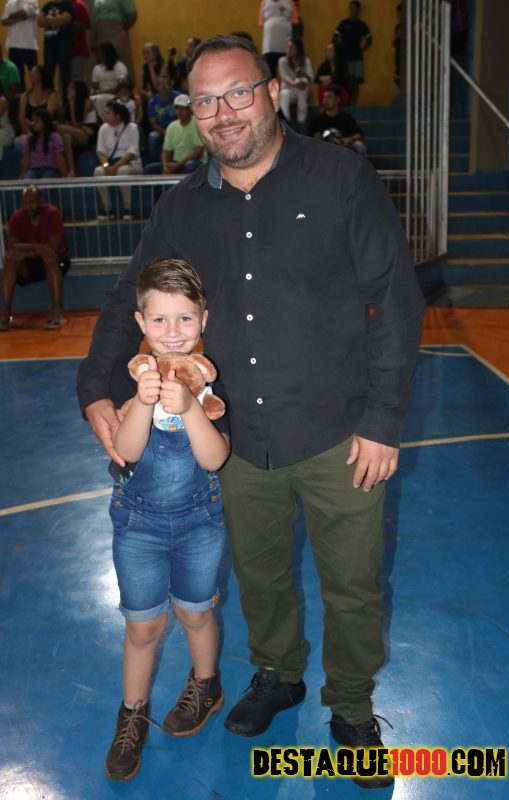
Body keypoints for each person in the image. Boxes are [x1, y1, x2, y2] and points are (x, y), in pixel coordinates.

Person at [77, 35, 425, 791]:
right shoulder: (181, 206)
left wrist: (383, 419)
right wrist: (97, 388)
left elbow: (396, 300)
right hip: (235, 441)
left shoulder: (341, 178)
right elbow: (127, 297)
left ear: (270, 92)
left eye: (237, 92)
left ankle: (352, 707)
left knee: (353, 585)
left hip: (340, 433)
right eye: (204, 101)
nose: (223, 113)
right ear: (191, 114)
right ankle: (277, 673)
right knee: (260, 574)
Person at [102, 257, 229, 781]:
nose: (172, 332)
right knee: (143, 625)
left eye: (184, 319)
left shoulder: (209, 381)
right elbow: (128, 451)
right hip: (138, 525)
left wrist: (192, 409)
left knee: (196, 613)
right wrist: (140, 401)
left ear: (203, 320)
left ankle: (206, 683)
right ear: (141, 323)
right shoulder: (132, 377)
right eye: (159, 319)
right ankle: (132, 713)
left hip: (199, 523)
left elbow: (214, 459)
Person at [0, 184, 69, 331]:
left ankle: (57, 313)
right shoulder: (17, 216)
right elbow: (12, 245)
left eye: (31, 202)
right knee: (10, 258)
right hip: (29, 263)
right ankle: (5, 314)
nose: (28, 206)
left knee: (49, 257)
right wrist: (36, 248)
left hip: (56, 261)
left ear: (40, 201)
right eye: (25, 202)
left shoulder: (52, 213)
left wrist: (28, 251)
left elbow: (53, 246)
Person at [93, 100, 142, 220]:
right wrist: (106, 166)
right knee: (98, 171)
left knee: (122, 171)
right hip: (110, 163)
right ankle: (107, 209)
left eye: (108, 113)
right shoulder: (103, 128)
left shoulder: (132, 128)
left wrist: (116, 166)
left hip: (131, 164)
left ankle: (128, 208)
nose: (105, 116)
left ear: (118, 115)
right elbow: (100, 151)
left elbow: (132, 152)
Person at [144, 94, 204, 175]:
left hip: (194, 163)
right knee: (149, 169)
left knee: (190, 165)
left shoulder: (197, 125)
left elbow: (198, 152)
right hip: (176, 163)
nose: (180, 111)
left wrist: (177, 165)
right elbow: (166, 151)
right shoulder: (172, 126)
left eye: (183, 108)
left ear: (190, 110)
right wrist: (165, 165)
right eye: (177, 108)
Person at [308, 85, 366, 155]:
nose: (325, 100)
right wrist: (316, 138)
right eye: (324, 97)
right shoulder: (317, 119)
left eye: (329, 97)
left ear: (337, 100)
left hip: (343, 150)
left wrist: (349, 139)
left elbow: (359, 134)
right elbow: (308, 138)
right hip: (323, 151)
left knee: (359, 146)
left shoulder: (346, 118)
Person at [89, 0, 137, 83]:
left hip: (116, 33)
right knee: (102, 62)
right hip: (100, 34)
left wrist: (121, 28)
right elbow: (93, 20)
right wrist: (92, 39)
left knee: (119, 61)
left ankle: (123, 88)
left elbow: (132, 15)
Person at [334, 0, 372, 105]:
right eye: (350, 8)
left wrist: (362, 50)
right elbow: (335, 36)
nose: (351, 10)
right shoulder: (343, 23)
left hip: (357, 58)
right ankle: (346, 103)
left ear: (358, 10)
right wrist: (338, 49)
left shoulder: (362, 25)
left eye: (353, 8)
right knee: (346, 82)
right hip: (345, 58)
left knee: (356, 82)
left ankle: (354, 104)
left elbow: (369, 39)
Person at [57, 80, 97, 175]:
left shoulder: (87, 102)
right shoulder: (68, 105)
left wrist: (71, 103)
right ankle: (72, 170)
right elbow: (69, 125)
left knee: (60, 128)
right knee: (66, 137)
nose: (68, 90)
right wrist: (70, 104)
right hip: (79, 131)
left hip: (89, 133)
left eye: (71, 88)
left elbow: (76, 124)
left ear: (78, 89)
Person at [37, 0, 73, 99]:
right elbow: (39, 22)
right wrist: (56, 20)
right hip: (49, 46)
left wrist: (47, 20)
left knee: (65, 76)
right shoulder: (47, 6)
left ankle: (66, 102)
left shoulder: (68, 5)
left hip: (63, 45)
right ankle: (49, 100)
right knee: (48, 74)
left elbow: (64, 21)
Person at [20, 108, 68, 178]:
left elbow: (60, 158)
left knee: (46, 179)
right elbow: (26, 158)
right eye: (33, 120)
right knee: (28, 178)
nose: (33, 123)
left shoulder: (55, 137)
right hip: (33, 169)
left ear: (45, 122)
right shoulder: (29, 138)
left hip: (51, 168)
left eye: (37, 121)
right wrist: (22, 175)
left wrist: (65, 177)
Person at [258, 0, 299, 78]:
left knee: (288, 74)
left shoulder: (290, 2)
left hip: (286, 47)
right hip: (269, 47)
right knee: (269, 75)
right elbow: (261, 24)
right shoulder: (264, 3)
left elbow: (295, 23)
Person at [17, 64, 60, 137]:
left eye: (36, 72)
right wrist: (30, 135)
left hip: (46, 132)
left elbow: (47, 118)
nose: (31, 73)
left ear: (42, 76)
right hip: (29, 132)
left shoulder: (52, 95)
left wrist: (31, 123)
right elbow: (22, 120)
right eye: (31, 71)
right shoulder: (25, 96)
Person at [1, 0, 38, 83]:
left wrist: (11, 16)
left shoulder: (33, 1)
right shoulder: (10, 2)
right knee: (17, 78)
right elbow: (4, 21)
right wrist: (21, 16)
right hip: (13, 45)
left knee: (35, 77)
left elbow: (24, 14)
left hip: (29, 45)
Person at [145, 73, 179, 164]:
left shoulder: (178, 97)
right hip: (160, 130)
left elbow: (185, 114)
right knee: (152, 137)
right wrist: (164, 132)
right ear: (157, 86)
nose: (163, 86)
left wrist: (172, 131)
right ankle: (155, 164)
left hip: (178, 128)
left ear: (171, 84)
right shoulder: (152, 101)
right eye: (160, 84)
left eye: (166, 83)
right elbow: (153, 122)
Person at [277, 38, 313, 124]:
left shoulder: (305, 60)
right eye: (288, 47)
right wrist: (296, 84)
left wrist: (303, 74)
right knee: (283, 94)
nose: (289, 50)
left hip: (302, 89)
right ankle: (286, 122)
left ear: (298, 49)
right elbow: (285, 77)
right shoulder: (282, 61)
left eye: (292, 48)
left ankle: (301, 121)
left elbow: (311, 78)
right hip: (289, 89)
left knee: (302, 89)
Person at [90, 41, 128, 121]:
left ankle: (105, 120)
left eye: (101, 53)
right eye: (99, 53)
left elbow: (122, 85)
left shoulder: (119, 66)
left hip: (115, 95)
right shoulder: (97, 68)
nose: (100, 55)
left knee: (99, 99)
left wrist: (103, 92)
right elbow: (94, 85)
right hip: (100, 94)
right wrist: (93, 91)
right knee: (92, 100)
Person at [314, 40, 350, 106]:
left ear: (337, 52)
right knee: (322, 86)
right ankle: (324, 106)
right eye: (327, 50)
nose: (328, 52)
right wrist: (323, 79)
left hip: (341, 93)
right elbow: (316, 79)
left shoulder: (343, 65)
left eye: (331, 50)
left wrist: (331, 79)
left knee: (331, 86)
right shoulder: (323, 65)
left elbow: (346, 79)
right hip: (327, 91)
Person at [70, 0, 90, 82]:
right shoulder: (60, 6)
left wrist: (69, 24)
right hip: (63, 53)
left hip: (78, 50)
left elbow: (87, 24)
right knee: (63, 81)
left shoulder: (79, 5)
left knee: (77, 80)